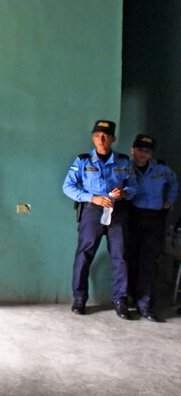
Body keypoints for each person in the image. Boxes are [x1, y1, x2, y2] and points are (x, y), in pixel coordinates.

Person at [62, 119, 137, 320]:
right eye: (97, 135)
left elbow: (134, 186)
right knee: (84, 255)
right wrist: (91, 197)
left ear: (113, 138)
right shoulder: (83, 161)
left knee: (120, 257)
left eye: (105, 136)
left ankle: (120, 300)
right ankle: (79, 299)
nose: (101, 139)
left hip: (117, 212)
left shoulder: (123, 161)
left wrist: (125, 192)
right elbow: (68, 187)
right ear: (93, 138)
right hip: (92, 212)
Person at [126, 134, 178, 321]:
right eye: (140, 150)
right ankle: (132, 296)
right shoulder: (126, 168)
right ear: (133, 150)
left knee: (149, 261)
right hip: (133, 217)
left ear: (151, 154)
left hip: (155, 218)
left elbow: (174, 183)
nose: (143, 154)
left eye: (147, 151)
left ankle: (145, 304)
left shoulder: (161, 169)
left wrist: (169, 201)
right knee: (130, 259)